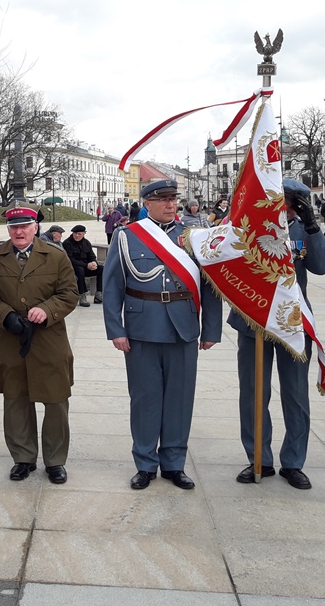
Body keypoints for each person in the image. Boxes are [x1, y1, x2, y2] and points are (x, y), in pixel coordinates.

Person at [103, 179, 222, 490]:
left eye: (174, 199)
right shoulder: (127, 236)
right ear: (148, 203)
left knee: (180, 400)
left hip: (183, 327)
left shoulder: (194, 238)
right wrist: (115, 329)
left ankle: (174, 463)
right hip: (142, 329)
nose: (171, 205)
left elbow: (210, 287)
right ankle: (145, 463)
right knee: (145, 400)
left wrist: (211, 329)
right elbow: (113, 286)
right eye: (164, 199)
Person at [229, 180, 325, 489]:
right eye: (276, 198)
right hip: (254, 320)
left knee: (296, 394)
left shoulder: (301, 229)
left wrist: (313, 226)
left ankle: (294, 462)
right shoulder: (246, 226)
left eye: (288, 200)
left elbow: (322, 266)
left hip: (292, 321)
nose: (281, 205)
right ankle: (258, 457)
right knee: (254, 393)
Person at [0, 203, 79, 484]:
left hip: (49, 339)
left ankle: (55, 460)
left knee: (56, 400)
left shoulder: (56, 256)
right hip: (12, 340)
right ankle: (23, 458)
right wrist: (6, 316)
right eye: (14, 227)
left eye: (25, 226)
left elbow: (69, 293)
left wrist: (47, 310)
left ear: (36, 227)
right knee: (15, 399)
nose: (19, 231)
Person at [62, 224, 101, 306]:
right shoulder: (67, 243)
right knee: (80, 269)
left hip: (86, 266)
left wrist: (94, 263)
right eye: (75, 233)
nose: (77, 236)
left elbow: (92, 256)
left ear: (83, 234)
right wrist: (86, 265)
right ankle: (82, 295)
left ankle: (99, 294)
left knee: (101, 269)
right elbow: (70, 260)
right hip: (73, 268)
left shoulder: (86, 243)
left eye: (79, 234)